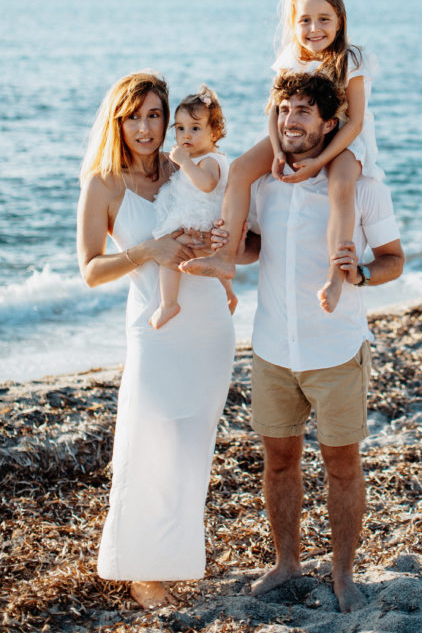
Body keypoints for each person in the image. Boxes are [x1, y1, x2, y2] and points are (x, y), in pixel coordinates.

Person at [185, 70, 404, 612]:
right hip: (272, 349)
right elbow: (254, 246)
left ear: (331, 124)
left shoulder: (364, 188)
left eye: (303, 112)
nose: (290, 121)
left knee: (342, 465)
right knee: (279, 459)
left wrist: (362, 276)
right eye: (285, 111)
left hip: (336, 349)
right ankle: (286, 563)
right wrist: (217, 246)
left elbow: (395, 260)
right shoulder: (261, 184)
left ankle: (344, 575)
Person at [77, 71, 235, 610]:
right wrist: (150, 251)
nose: (145, 128)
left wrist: (223, 243)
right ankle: (139, 569)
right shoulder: (104, 182)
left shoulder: (184, 165)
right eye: (133, 116)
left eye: (154, 116)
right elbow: (91, 270)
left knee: (192, 447)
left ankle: (173, 560)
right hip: (155, 326)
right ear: (117, 120)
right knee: (146, 443)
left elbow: (237, 230)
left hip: (209, 322)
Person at [215, 0, 382, 315]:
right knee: (241, 169)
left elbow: (356, 123)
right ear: (293, 23)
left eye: (324, 19)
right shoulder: (291, 59)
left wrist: (319, 163)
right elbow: (274, 111)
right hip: (293, 135)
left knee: (340, 186)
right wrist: (277, 151)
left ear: (339, 21)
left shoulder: (352, 60)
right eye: (304, 20)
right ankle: (224, 257)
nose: (314, 29)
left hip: (344, 139)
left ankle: (337, 274)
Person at [150, 85, 236, 329]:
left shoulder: (210, 161)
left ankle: (169, 303)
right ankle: (229, 294)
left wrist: (185, 163)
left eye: (195, 129)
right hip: (198, 217)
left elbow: (207, 184)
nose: (186, 135)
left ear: (215, 132)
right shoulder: (198, 158)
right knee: (209, 258)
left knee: (169, 254)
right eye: (180, 129)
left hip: (203, 218)